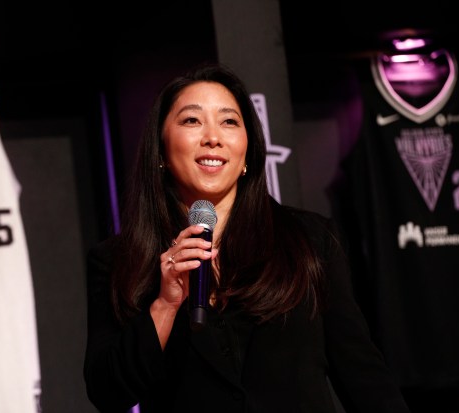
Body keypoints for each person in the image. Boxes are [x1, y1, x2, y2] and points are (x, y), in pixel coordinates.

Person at [83, 62, 411, 413]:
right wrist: (165, 304)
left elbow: (363, 376)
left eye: (229, 121)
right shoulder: (120, 260)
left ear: (247, 153)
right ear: (161, 152)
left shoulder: (310, 241)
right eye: (192, 120)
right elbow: (108, 393)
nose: (213, 136)